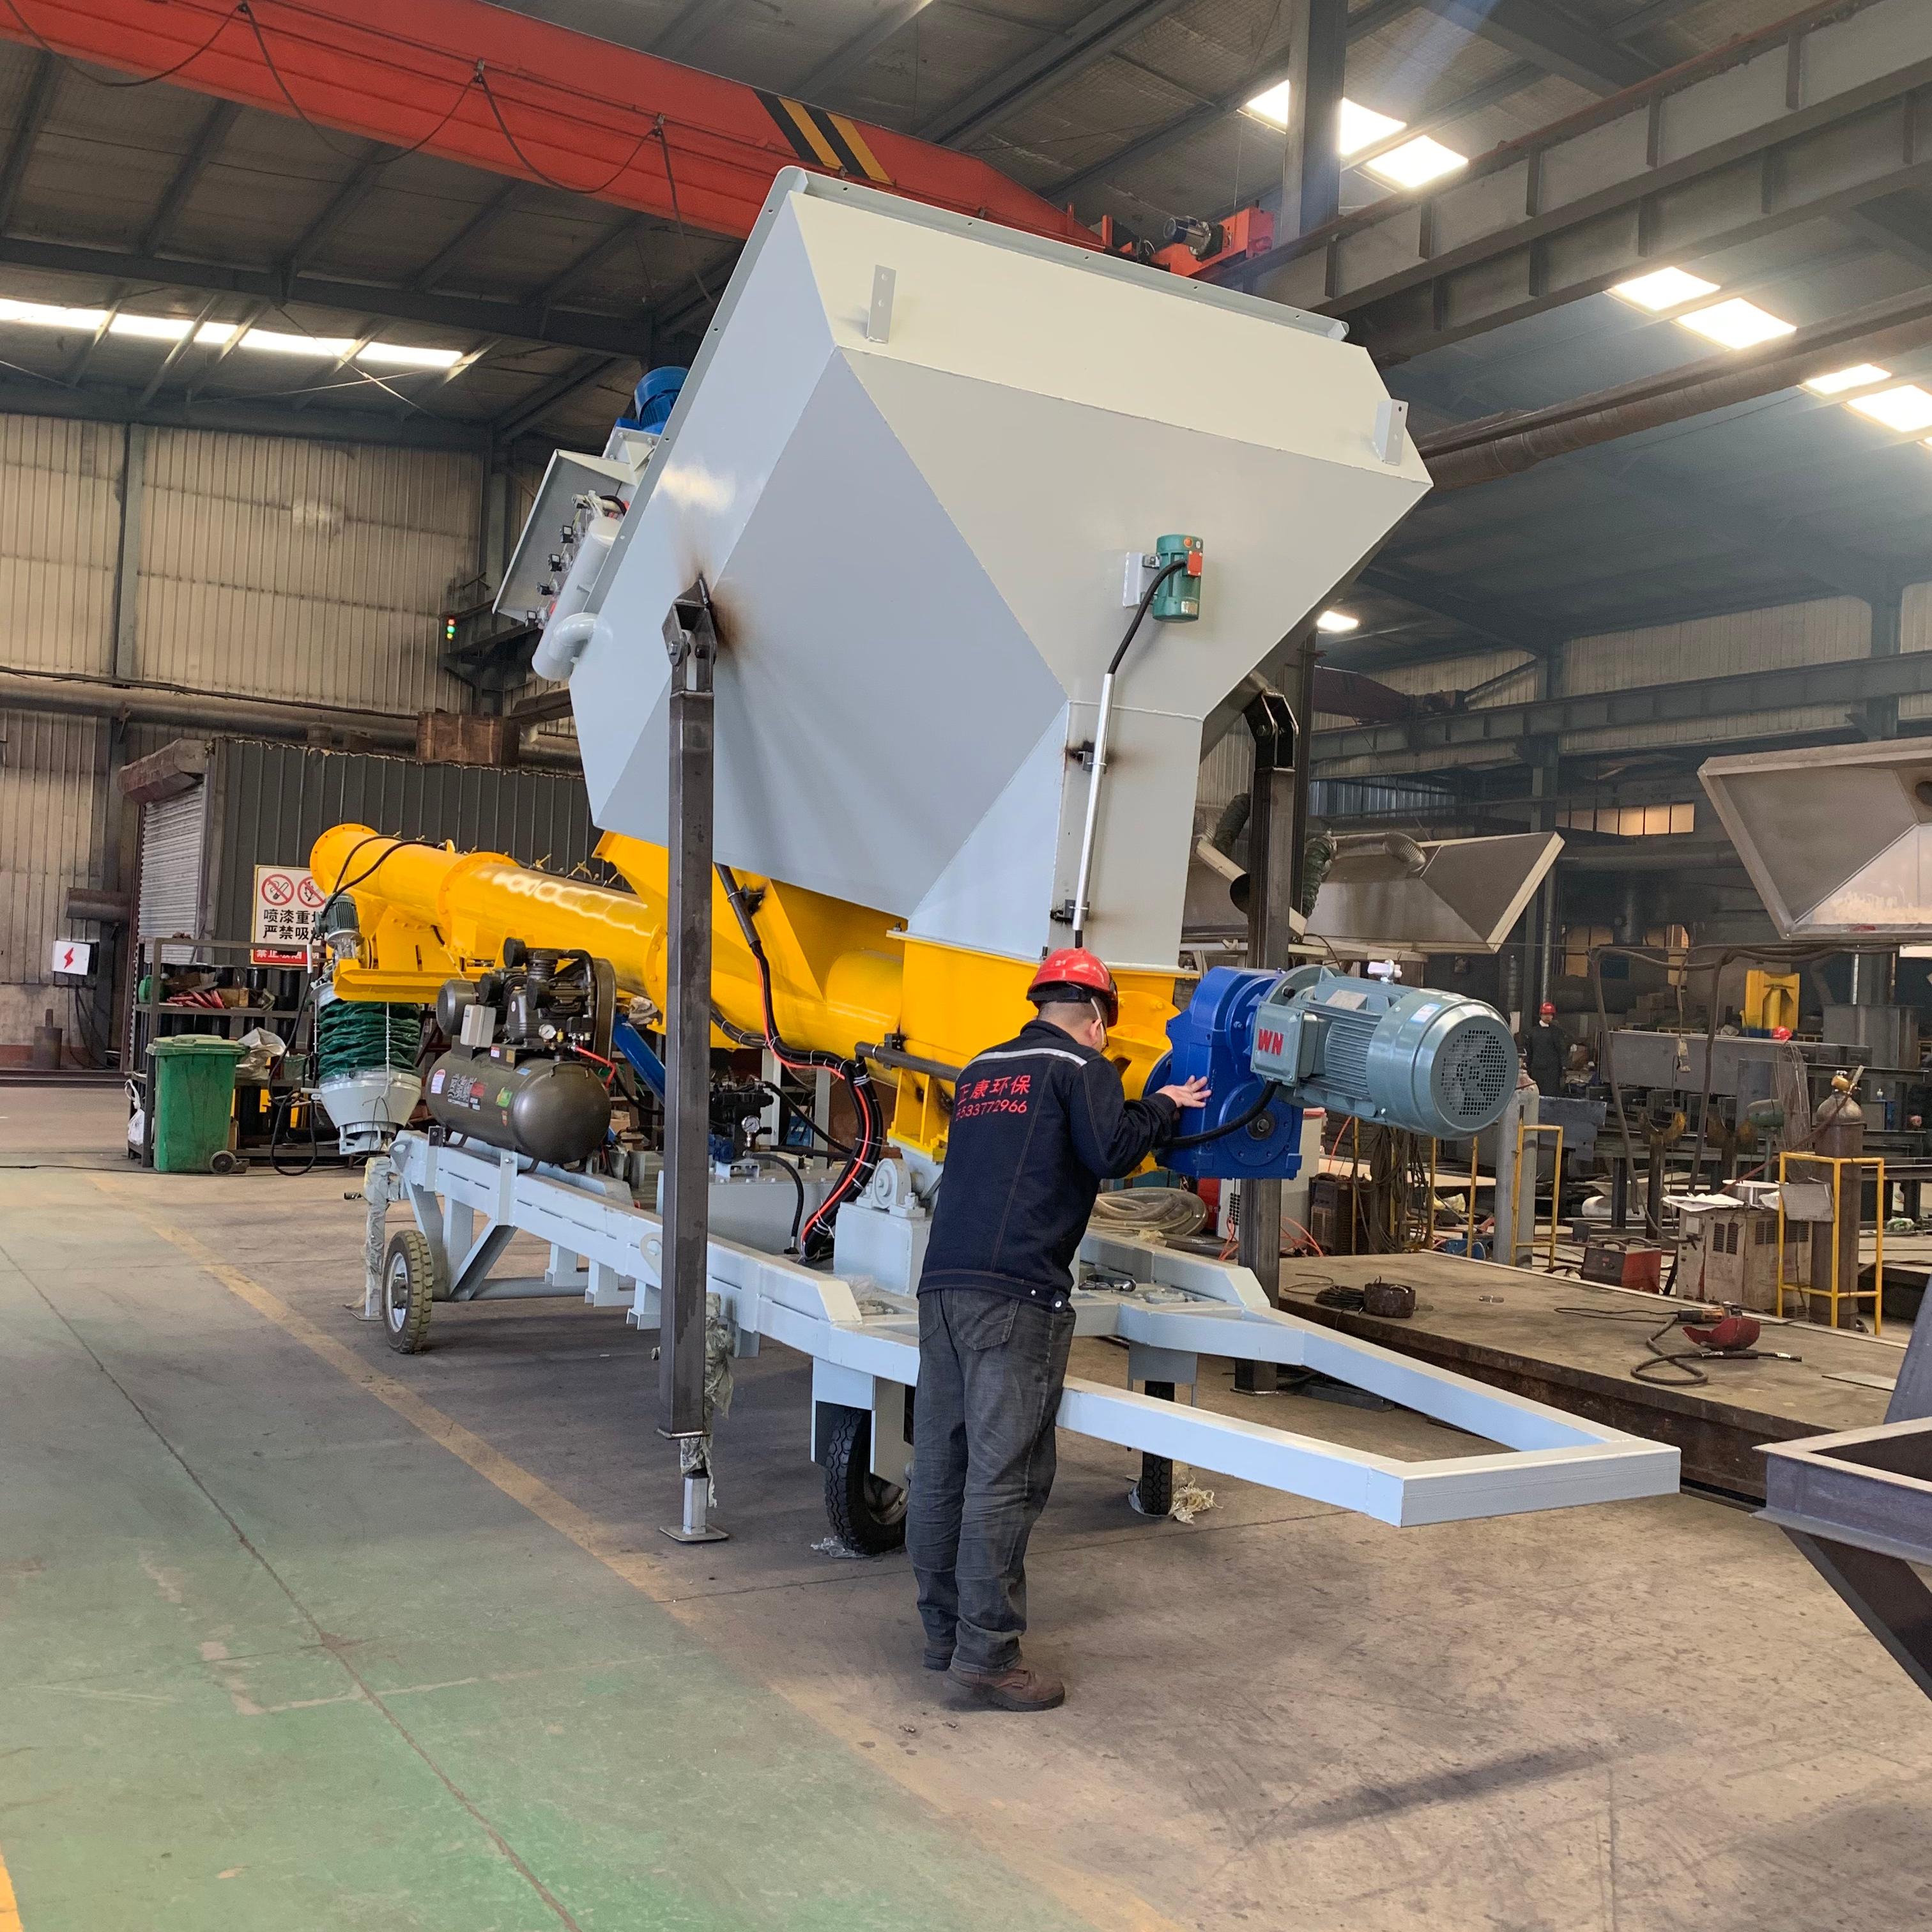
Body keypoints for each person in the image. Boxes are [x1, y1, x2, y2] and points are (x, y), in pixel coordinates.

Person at [907, 947, 1209, 1712]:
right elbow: (1111, 1152)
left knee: (941, 1465)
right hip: (1016, 1293)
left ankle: (943, 1634)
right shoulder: (1082, 1068)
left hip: (942, 1287)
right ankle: (987, 1657)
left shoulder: (980, 1070)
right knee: (1003, 1477)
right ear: (1099, 1017)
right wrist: (1163, 1104)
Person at [1519, 999, 1568, 1096]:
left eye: (1550, 1015)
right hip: (1537, 1070)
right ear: (1541, 1015)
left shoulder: (1557, 1032)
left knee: (1551, 1094)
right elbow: (1529, 1051)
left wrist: (1564, 1066)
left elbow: (1562, 1050)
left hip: (1552, 1071)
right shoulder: (1533, 1032)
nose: (1548, 1017)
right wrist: (1527, 1064)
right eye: (1546, 1014)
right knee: (1537, 1094)